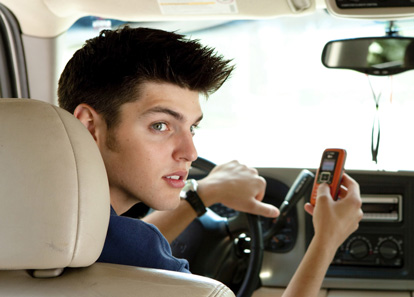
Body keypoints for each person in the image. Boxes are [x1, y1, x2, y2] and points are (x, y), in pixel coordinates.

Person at [58, 26, 363, 296]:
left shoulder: (46, 224)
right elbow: (134, 247)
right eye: (161, 126)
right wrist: (326, 240)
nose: (189, 152)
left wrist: (202, 195)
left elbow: (118, 244)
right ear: (89, 126)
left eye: (192, 128)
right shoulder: (137, 249)